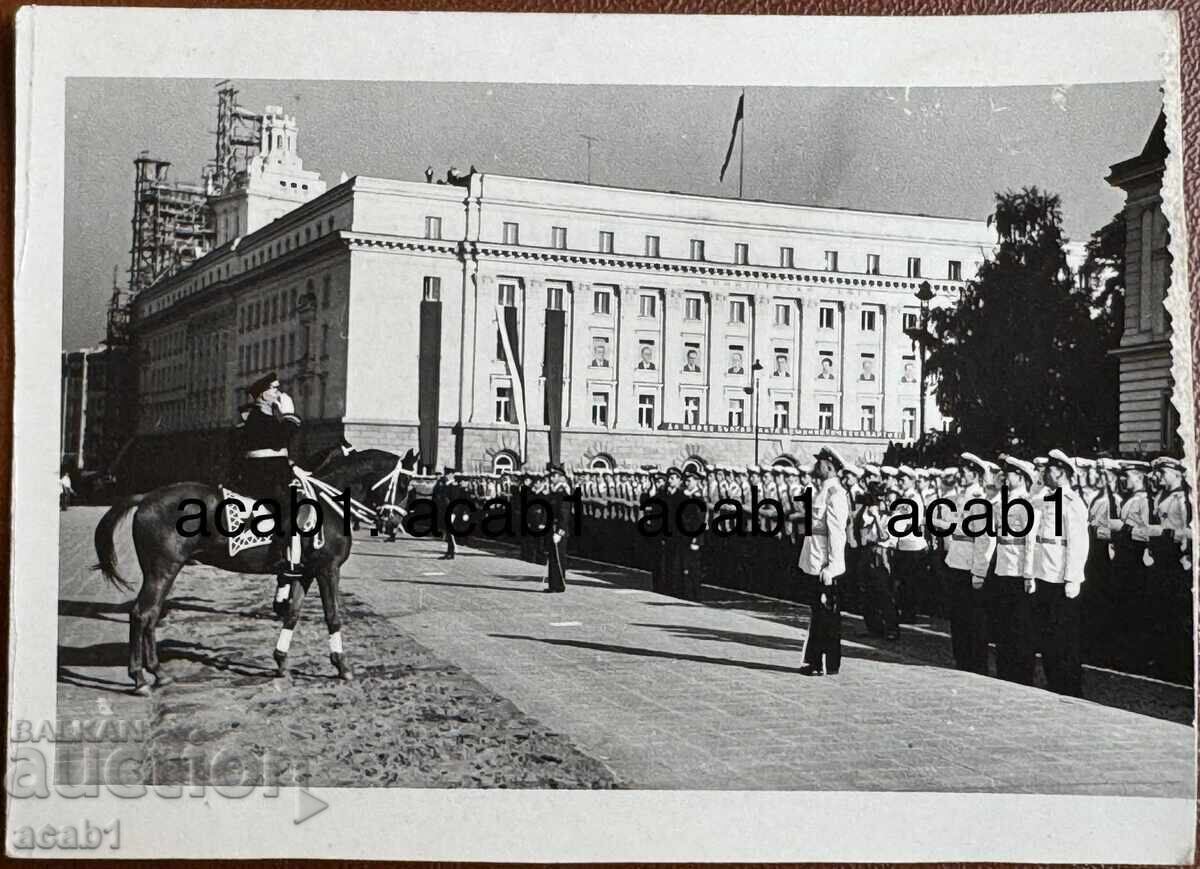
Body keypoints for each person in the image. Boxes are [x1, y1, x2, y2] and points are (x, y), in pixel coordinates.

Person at [1023, 449, 1089, 696]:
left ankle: (1070, 688)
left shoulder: (1072, 503)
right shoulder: (1046, 499)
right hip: (1044, 575)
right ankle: (1055, 684)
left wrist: (1072, 578)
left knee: (1065, 638)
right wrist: (1030, 573)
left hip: (1061, 577)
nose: (1044, 474)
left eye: (1049, 470)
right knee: (1048, 637)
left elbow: (1078, 543)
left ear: (1061, 473)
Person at [237, 372, 302, 618]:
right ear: (263, 394)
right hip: (261, 477)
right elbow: (279, 440)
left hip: (274, 473)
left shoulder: (265, 415)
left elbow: (280, 450)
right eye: (274, 389)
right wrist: (290, 415)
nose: (278, 393)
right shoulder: (255, 416)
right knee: (288, 508)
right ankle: (279, 557)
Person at [972, 455, 1036, 684]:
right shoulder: (1004, 501)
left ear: (1020, 477)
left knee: (1019, 626)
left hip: (1017, 569)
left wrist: (1028, 574)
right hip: (1002, 567)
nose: (1004, 477)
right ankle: (1006, 670)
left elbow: (1029, 542)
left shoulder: (1026, 503)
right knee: (1003, 623)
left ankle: (1021, 673)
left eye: (1009, 474)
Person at [798, 447, 850, 676]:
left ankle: (819, 663)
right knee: (819, 613)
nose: (815, 466)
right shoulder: (822, 491)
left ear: (829, 466)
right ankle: (822, 663)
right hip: (814, 559)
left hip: (823, 564)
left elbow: (837, 534)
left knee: (824, 614)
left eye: (819, 463)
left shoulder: (835, 494)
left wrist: (833, 566)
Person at [944, 452, 988, 674]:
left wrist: (979, 571)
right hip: (956, 560)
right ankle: (962, 659)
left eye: (966, 471)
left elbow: (982, 538)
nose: (961, 474)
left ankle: (974, 663)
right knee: (959, 616)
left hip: (969, 563)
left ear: (976, 474)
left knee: (972, 618)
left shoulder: (978, 500)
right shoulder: (962, 498)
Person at [544, 464, 572, 593]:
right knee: (553, 557)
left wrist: (560, 532)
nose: (551, 478)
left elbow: (564, 515)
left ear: (561, 477)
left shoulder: (564, 493)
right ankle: (553, 585)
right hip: (553, 528)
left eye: (554, 476)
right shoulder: (555, 492)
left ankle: (559, 585)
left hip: (559, 530)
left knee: (559, 558)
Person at [432, 468, 466, 560]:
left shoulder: (453, 485)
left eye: (448, 474)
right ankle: (450, 552)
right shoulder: (446, 485)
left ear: (451, 475)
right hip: (447, 510)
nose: (446, 476)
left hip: (452, 510)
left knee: (450, 531)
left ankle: (452, 551)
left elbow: (453, 500)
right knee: (448, 531)